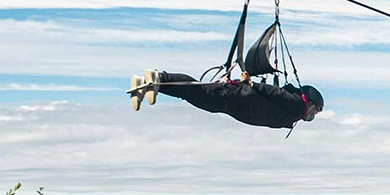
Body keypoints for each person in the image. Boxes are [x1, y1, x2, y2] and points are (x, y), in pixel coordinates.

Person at [129, 69, 323, 130]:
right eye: (315, 111)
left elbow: (275, 96)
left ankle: (150, 84)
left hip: (234, 104)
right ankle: (159, 78)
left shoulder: (293, 112)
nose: (312, 115)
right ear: (311, 103)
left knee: (192, 94)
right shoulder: (298, 106)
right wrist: (253, 85)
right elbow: (275, 93)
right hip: (238, 98)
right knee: (196, 91)